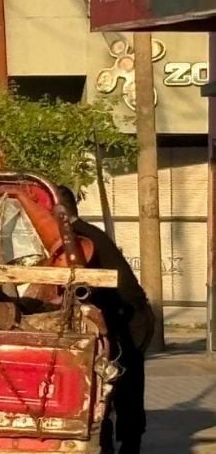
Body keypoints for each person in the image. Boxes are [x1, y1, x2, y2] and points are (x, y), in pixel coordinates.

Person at [56, 186, 152, 454]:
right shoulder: (80, 235)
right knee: (111, 385)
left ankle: (127, 443)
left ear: (61, 211)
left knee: (120, 384)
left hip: (127, 317)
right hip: (120, 313)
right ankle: (115, 441)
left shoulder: (81, 239)